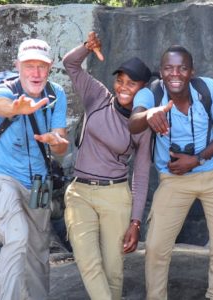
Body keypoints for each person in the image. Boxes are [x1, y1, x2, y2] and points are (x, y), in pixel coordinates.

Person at [129, 45, 213, 300]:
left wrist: (197, 159)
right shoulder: (150, 94)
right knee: (156, 246)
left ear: (192, 71)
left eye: (182, 68)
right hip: (173, 178)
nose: (175, 74)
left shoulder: (207, 89)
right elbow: (133, 124)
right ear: (161, 71)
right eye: (168, 68)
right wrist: (149, 114)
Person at [62, 31, 152, 300]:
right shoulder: (98, 96)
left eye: (131, 83)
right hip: (80, 193)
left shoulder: (143, 124)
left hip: (115, 196)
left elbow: (142, 173)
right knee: (89, 263)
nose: (123, 87)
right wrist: (87, 48)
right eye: (120, 80)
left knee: (113, 271)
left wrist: (136, 222)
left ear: (143, 89)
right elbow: (70, 64)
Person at [0, 38, 69, 300]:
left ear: (50, 67)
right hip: (1, 175)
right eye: (29, 66)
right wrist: (15, 108)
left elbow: (61, 145)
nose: (36, 73)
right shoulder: (3, 89)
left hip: (38, 183)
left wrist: (57, 143)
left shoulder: (56, 94)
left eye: (42, 66)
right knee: (17, 237)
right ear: (17, 65)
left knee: (38, 253)